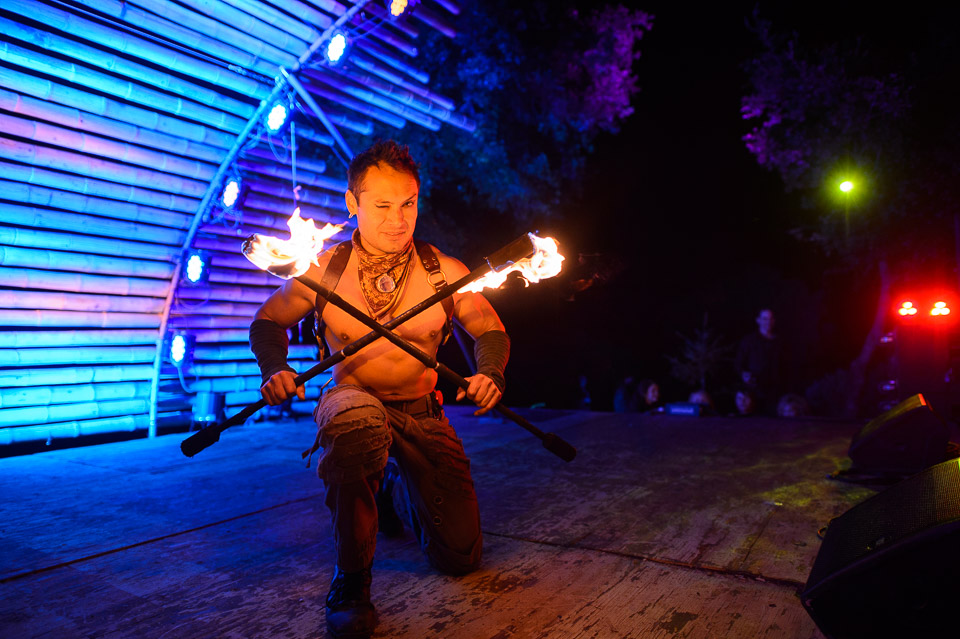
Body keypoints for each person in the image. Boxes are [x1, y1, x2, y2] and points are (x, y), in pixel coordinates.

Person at [249, 141, 510, 639]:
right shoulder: (323, 270)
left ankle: (394, 489)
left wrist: (491, 374)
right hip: (353, 401)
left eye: (408, 204)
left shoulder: (444, 273)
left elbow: (489, 328)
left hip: (422, 411)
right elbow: (267, 321)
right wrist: (274, 368)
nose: (398, 219)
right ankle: (351, 581)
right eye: (382, 205)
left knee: (461, 557)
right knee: (357, 424)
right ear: (353, 202)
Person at [735, 308, 784, 414]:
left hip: (775, 392)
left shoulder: (780, 342)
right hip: (754, 392)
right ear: (758, 320)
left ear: (774, 321)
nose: (768, 322)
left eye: (770, 319)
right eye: (765, 319)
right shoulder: (749, 341)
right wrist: (744, 375)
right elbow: (739, 363)